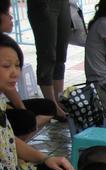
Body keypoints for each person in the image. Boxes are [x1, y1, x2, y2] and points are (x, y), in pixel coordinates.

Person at [0, 35, 75, 170]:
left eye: (17, 65)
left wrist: (46, 159)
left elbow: (10, 140)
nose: (15, 73)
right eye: (6, 66)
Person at [0, 4, 55, 139]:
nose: (11, 17)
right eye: (7, 13)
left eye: (17, 65)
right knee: (26, 120)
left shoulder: (7, 45)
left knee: (47, 107)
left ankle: (11, 145)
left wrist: (22, 111)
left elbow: (8, 87)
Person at [26, 0, 69, 119]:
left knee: (61, 54)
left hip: (63, 3)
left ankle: (59, 100)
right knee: (47, 55)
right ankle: (51, 105)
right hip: (43, 4)